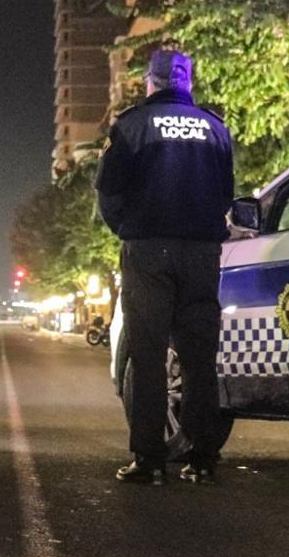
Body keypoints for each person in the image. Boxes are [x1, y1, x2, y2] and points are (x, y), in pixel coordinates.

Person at [95, 49, 234, 486]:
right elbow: (226, 192)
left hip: (148, 250)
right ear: (187, 83)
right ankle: (203, 456)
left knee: (149, 353)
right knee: (198, 357)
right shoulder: (215, 128)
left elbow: (108, 190)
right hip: (201, 253)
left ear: (148, 82)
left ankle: (150, 459)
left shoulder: (131, 125)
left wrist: (129, 229)